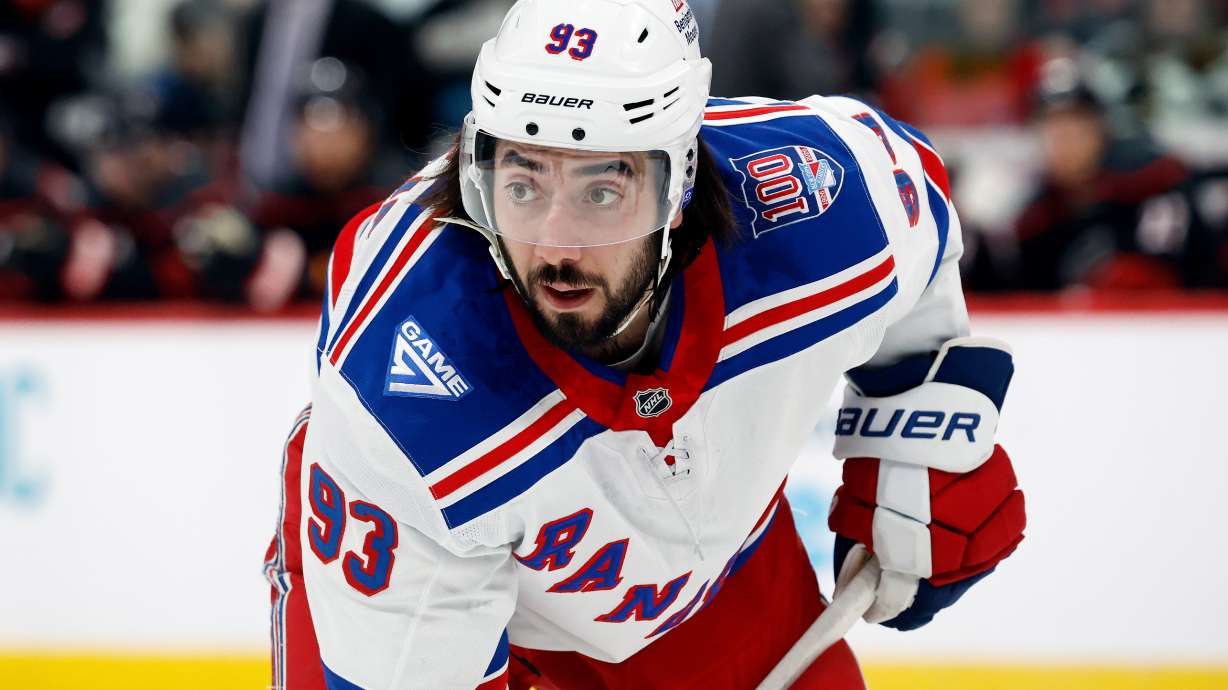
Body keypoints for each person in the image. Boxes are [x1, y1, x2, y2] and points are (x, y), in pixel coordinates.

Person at [264, 1, 1027, 688]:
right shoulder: (406, 395)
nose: (555, 246)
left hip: (720, 581)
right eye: (523, 185)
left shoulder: (823, 202)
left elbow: (919, 221)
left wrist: (915, 430)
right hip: (454, 600)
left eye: (603, 191)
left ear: (680, 182)